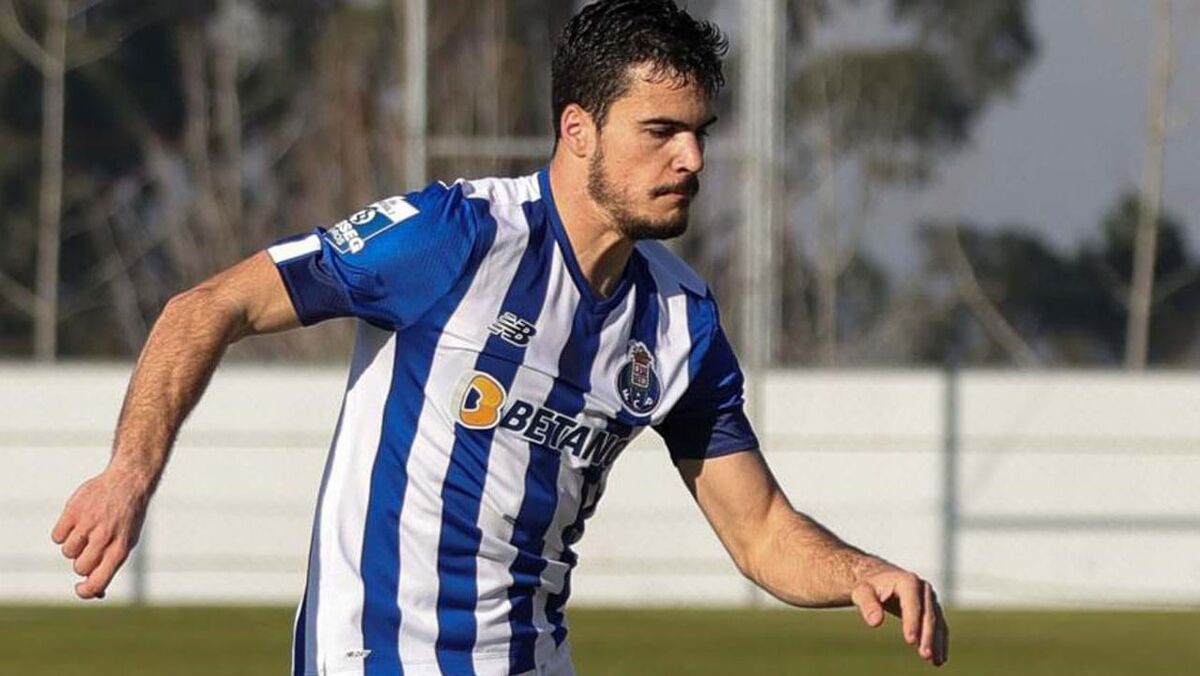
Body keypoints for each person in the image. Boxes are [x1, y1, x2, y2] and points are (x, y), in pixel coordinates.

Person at [51, 1, 948, 674]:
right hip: (375, 659)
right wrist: (128, 474)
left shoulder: (681, 322)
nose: (693, 159)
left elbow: (760, 531)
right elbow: (208, 306)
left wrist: (855, 571)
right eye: (662, 132)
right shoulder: (455, 237)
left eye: (699, 133)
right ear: (578, 130)